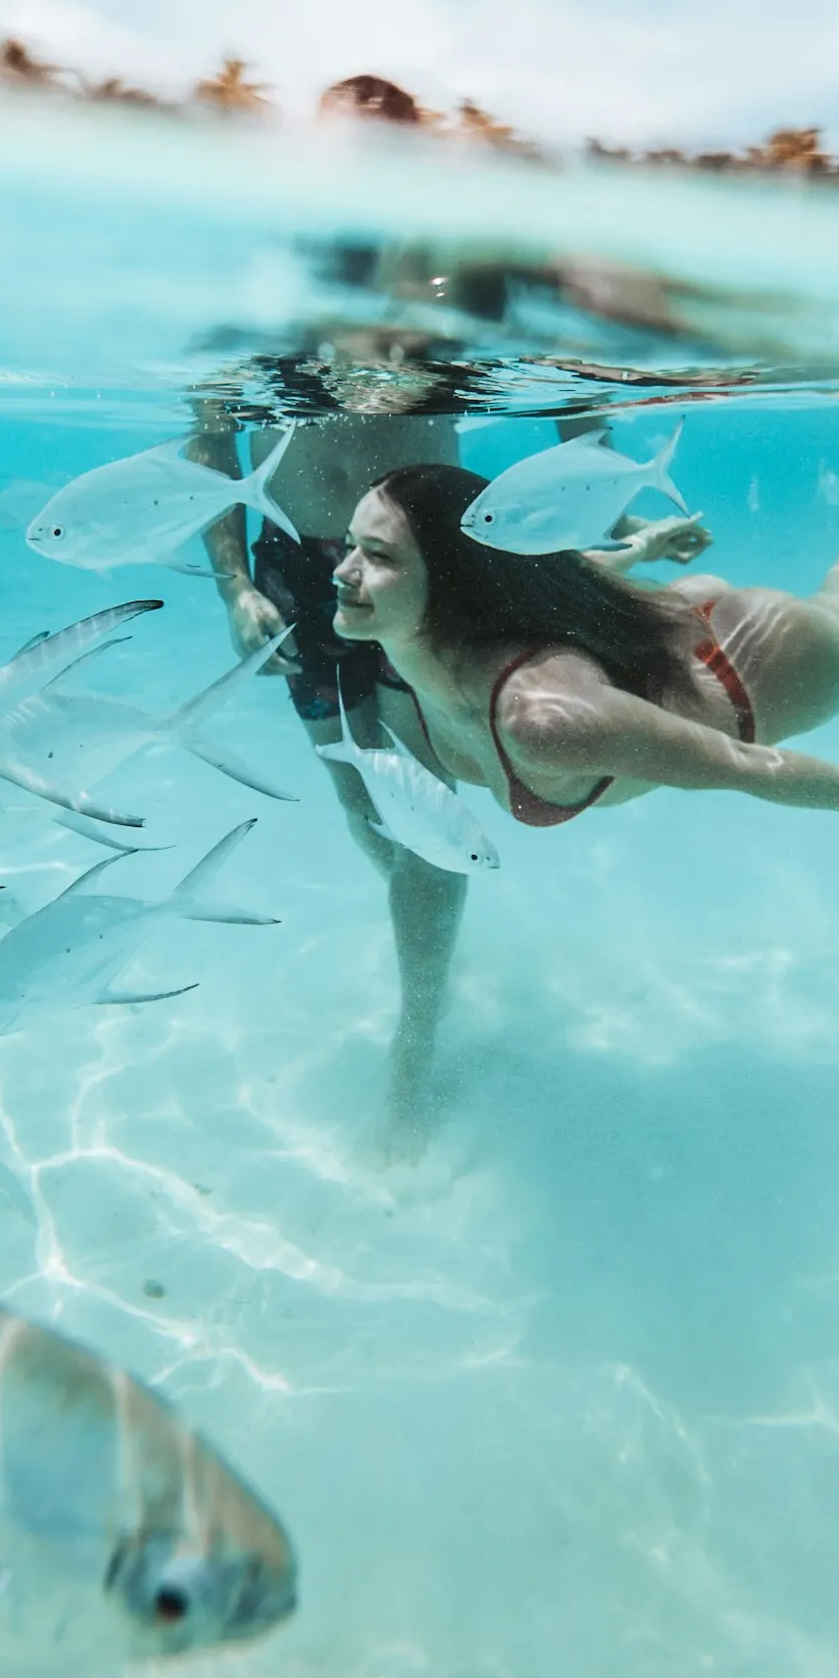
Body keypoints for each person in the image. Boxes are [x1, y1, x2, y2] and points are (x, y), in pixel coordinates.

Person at [185, 330, 703, 1123]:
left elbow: (568, 387)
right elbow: (211, 445)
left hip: (427, 568)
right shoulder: (261, 338)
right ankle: (421, 928)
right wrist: (232, 587)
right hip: (293, 565)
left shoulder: (429, 329)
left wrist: (614, 501)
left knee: (428, 816)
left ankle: (416, 1041)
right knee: (362, 804)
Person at [330, 437, 839, 839]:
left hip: (761, 668)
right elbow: (538, 581)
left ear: (451, 583)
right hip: (674, 625)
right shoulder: (418, 649)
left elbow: (745, 765)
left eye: (378, 554)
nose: (341, 571)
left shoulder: (542, 722)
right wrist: (640, 548)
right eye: (352, 545)